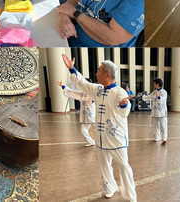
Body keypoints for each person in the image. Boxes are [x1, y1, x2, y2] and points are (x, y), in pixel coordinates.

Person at [61, 54, 137, 201]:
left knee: (124, 166)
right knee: (104, 165)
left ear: (107, 74)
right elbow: (82, 84)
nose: (96, 74)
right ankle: (110, 187)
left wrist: (124, 104)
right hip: (101, 137)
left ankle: (130, 197)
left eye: (99, 71)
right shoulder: (98, 89)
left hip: (116, 138)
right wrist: (72, 69)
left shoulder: (120, 92)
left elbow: (124, 112)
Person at [57, 78, 96, 147]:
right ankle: (91, 142)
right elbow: (71, 92)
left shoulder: (92, 93)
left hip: (92, 115)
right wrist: (62, 86)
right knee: (83, 130)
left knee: (100, 128)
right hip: (84, 116)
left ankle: (109, 140)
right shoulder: (81, 94)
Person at [142, 78, 168, 143]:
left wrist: (159, 97)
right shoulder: (154, 92)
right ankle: (157, 138)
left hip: (162, 112)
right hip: (155, 112)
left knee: (163, 126)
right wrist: (143, 97)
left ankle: (164, 138)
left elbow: (163, 100)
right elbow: (149, 97)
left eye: (154, 83)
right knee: (156, 126)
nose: (153, 85)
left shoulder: (164, 92)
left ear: (158, 84)